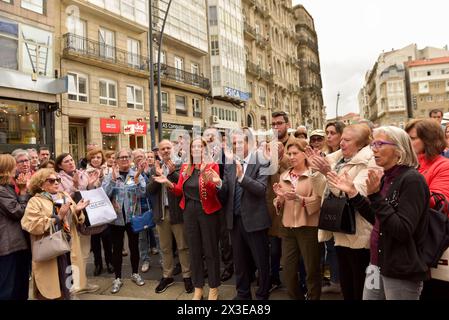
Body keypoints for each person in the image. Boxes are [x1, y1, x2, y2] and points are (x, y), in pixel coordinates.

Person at [327, 126, 430, 300]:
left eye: (380, 144)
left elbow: (402, 230)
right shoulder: (386, 177)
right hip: (375, 265)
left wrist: (375, 196)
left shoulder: (412, 180)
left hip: (400, 269)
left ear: (399, 150)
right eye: (373, 143)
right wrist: (353, 193)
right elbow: (377, 219)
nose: (374, 148)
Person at [308, 124, 376, 300]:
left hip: (359, 234)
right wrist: (316, 171)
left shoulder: (370, 160)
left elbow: (357, 193)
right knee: (347, 288)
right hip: (340, 231)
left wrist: (327, 172)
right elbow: (320, 190)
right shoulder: (337, 159)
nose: (342, 143)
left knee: (361, 289)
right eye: (342, 139)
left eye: (347, 140)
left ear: (360, 144)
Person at [154, 138, 222, 300]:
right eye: (194, 147)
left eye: (200, 146)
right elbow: (179, 191)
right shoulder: (186, 167)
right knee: (194, 251)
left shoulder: (212, 166)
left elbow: (213, 193)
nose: (197, 149)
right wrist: (168, 183)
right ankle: (198, 287)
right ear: (191, 150)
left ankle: (213, 287)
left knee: (211, 250)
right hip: (189, 212)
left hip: (207, 211)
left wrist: (211, 180)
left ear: (204, 150)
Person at [21, 169, 90, 300]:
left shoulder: (64, 195)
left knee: (68, 283)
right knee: (49, 287)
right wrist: (58, 217)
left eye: (57, 180)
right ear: (41, 184)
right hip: (49, 249)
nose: (56, 183)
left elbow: (75, 219)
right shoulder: (35, 201)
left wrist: (78, 211)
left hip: (68, 248)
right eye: (51, 181)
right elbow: (30, 225)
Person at [220, 128, 271, 300]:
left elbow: (261, 189)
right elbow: (227, 191)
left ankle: (262, 295)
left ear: (250, 142)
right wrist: (218, 184)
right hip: (234, 221)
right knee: (239, 262)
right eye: (234, 143)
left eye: (240, 142)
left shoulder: (262, 161)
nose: (237, 146)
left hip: (255, 220)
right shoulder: (230, 163)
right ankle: (242, 294)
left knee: (261, 261)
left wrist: (242, 178)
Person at [273, 139, 324, 300]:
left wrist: (298, 198)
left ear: (304, 154)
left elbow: (318, 201)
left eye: (295, 153)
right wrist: (279, 200)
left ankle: (314, 297)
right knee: (288, 272)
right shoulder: (284, 175)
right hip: (288, 229)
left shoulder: (313, 175)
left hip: (308, 228)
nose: (292, 156)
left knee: (312, 271)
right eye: (289, 154)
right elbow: (279, 204)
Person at [405, 119, 449, 299]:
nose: (407, 143)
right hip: (409, 238)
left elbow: (441, 201)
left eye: (412, 138)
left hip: (431, 240)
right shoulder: (409, 165)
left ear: (429, 139)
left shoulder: (443, 165)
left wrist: (405, 193)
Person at [147, 140, 193, 294]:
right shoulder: (155, 168)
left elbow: (184, 188)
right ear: (158, 152)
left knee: (183, 246)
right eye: (162, 149)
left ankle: (187, 276)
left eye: (168, 148)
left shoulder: (181, 166)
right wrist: (157, 176)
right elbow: (149, 191)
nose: (166, 151)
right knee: (165, 247)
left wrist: (171, 173)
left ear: (173, 149)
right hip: (162, 213)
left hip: (177, 212)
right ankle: (167, 276)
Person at [102, 148, 147, 294]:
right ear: (116, 160)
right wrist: (113, 181)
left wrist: (138, 178)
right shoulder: (110, 176)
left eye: (127, 156)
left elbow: (142, 193)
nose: (124, 159)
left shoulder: (135, 174)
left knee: (134, 246)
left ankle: (135, 273)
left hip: (133, 216)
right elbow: (105, 194)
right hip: (116, 219)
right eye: (121, 157)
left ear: (131, 159)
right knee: (117, 248)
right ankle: (117, 278)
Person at [55, 153, 99, 295]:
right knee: (74, 255)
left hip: (86, 217)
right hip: (72, 220)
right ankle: (75, 286)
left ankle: (83, 282)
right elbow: (60, 198)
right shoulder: (58, 178)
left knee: (85, 252)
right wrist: (74, 185)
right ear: (60, 165)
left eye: (71, 160)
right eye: (66, 161)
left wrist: (91, 183)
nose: (71, 163)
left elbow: (89, 193)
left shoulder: (82, 173)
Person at [204, 127, 234, 282]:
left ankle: (229, 266)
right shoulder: (199, 156)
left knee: (224, 237)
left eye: (212, 135)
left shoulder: (225, 155)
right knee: (210, 237)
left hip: (221, 200)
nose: (209, 138)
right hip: (206, 201)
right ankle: (211, 267)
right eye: (207, 135)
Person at [0, 154, 31, 300]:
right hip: (8, 245)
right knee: (8, 287)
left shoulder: (7, 187)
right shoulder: (1, 190)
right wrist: (23, 192)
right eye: (13, 165)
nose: (16, 169)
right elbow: (18, 212)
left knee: (19, 284)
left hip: (16, 242)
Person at [322, 121, 346, 294]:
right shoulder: (325, 153)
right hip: (327, 205)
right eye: (327, 133)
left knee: (341, 247)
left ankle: (341, 280)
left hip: (342, 206)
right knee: (330, 246)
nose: (329, 136)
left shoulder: (345, 157)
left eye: (332, 133)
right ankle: (335, 280)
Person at [85, 148, 114, 276]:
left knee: (107, 238)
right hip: (92, 208)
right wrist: (91, 184)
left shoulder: (109, 170)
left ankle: (109, 262)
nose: (96, 159)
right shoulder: (84, 172)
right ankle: (98, 264)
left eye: (98, 157)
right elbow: (84, 190)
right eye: (93, 157)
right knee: (95, 239)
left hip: (105, 206)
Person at [131, 149, 157, 273]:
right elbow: (136, 191)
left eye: (142, 156)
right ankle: (145, 260)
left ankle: (162, 261)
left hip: (154, 207)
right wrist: (138, 174)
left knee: (157, 235)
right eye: (137, 157)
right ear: (133, 159)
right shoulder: (131, 173)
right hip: (140, 208)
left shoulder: (152, 170)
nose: (140, 158)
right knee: (142, 238)